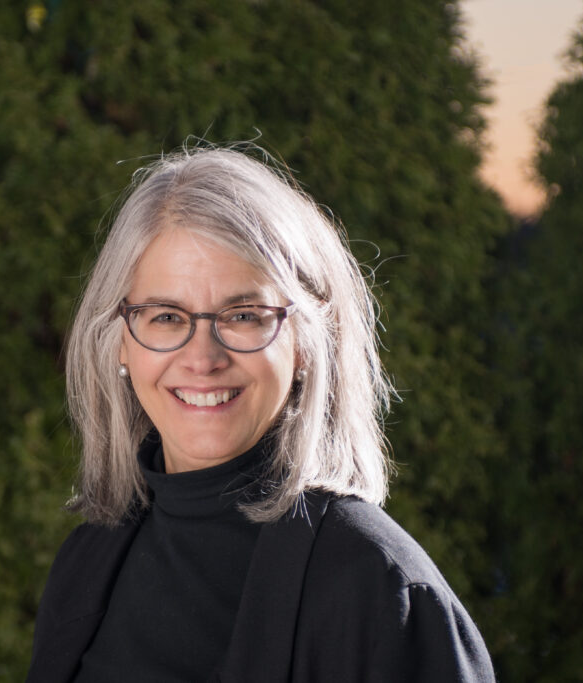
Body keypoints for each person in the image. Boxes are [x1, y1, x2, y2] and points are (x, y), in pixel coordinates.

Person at [27, 145, 495, 682]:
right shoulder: (87, 562)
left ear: (305, 344)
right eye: (165, 316)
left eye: (244, 315)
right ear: (119, 344)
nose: (202, 358)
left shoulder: (379, 587)